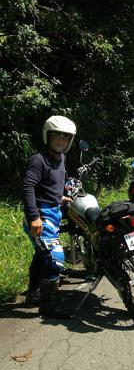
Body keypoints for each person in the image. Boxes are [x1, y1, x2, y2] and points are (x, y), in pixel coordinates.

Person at [22, 115, 76, 318]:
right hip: (40, 215)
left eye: (65, 137)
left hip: (53, 212)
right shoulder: (38, 160)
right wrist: (33, 217)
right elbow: (28, 187)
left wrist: (59, 196)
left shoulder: (60, 158)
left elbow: (52, 183)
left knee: (41, 255)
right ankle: (49, 305)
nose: (61, 141)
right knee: (54, 257)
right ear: (48, 136)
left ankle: (33, 295)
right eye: (57, 136)